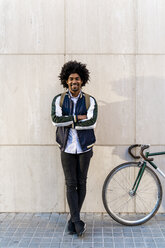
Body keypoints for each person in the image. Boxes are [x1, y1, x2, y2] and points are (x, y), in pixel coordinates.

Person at [51, 61, 98, 236]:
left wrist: (69, 121)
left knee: (81, 182)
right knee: (71, 184)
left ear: (82, 80)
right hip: (66, 147)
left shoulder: (90, 100)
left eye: (77, 79)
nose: (74, 82)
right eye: (71, 79)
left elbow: (92, 122)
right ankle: (77, 221)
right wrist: (78, 118)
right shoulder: (59, 99)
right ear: (66, 80)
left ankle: (73, 220)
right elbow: (55, 120)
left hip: (85, 148)